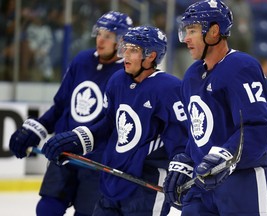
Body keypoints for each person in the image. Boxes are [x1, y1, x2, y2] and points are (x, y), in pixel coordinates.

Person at [41, 25, 188, 216]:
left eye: (133, 50)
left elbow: (182, 137)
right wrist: (77, 139)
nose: (125, 55)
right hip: (112, 179)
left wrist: (182, 168)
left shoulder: (169, 88)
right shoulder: (117, 80)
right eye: (125, 48)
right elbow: (109, 124)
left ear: (151, 55)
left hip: (147, 186)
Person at [9, 11, 133, 216]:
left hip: (97, 162)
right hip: (64, 152)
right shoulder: (82, 60)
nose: (100, 40)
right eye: (99, 33)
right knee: (47, 209)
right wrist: (36, 129)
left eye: (108, 36)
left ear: (121, 41)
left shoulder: (125, 75)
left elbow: (115, 124)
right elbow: (61, 105)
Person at [164, 0, 267, 215]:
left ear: (214, 31)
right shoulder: (191, 76)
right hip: (203, 187)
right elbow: (199, 132)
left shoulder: (240, 67)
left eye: (192, 31)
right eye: (185, 31)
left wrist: (226, 155)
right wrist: (187, 160)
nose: (186, 39)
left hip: (243, 182)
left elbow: (259, 127)